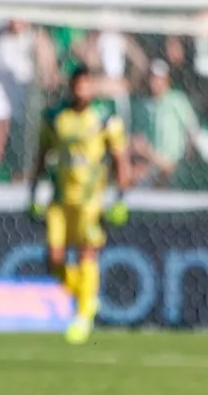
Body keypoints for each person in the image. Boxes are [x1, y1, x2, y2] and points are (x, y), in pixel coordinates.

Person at [29, 66, 131, 346]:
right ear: (71, 86)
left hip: (90, 201)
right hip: (60, 200)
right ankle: (86, 295)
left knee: (87, 252)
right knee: (54, 260)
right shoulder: (55, 118)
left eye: (86, 84)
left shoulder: (105, 119)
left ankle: (84, 315)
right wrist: (33, 191)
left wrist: (121, 197)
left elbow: (120, 158)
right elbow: (42, 155)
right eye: (77, 84)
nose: (81, 90)